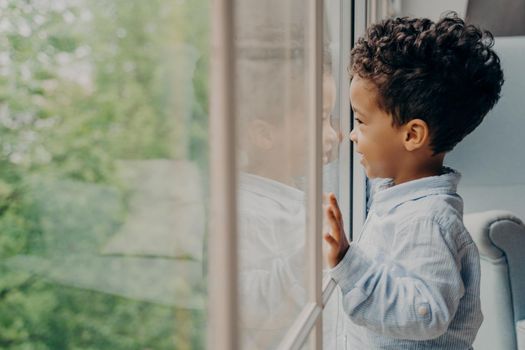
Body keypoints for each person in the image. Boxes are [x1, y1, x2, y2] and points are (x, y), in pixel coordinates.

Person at [323, 13, 504, 349]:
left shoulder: (429, 220)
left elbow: (426, 313)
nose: (351, 135)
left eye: (361, 122)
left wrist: (350, 264)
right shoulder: (399, 196)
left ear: (412, 134)